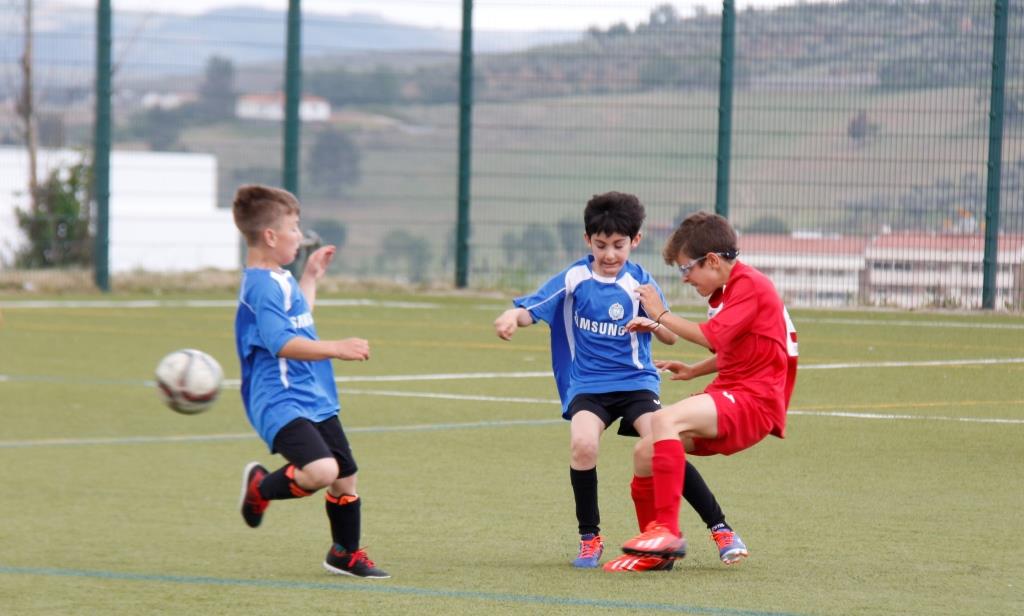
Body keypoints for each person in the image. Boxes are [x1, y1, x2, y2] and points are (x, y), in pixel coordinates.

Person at [494, 192, 749, 572]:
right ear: (587, 241)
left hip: (637, 384)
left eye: (618, 245)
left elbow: (670, 337)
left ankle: (721, 529)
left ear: (636, 241)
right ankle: (589, 537)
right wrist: (511, 317)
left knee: (664, 443)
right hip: (589, 386)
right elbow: (533, 307)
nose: (610, 254)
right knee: (582, 445)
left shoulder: (641, 283)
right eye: (601, 245)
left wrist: (653, 323)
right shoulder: (576, 278)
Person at [619, 211, 798, 564]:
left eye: (687, 269)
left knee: (663, 420)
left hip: (753, 402)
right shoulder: (729, 290)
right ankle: (655, 554)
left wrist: (660, 314)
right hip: (733, 392)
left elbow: (710, 336)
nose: (685, 278)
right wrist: (694, 370)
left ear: (713, 260)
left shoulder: (751, 285)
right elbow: (735, 348)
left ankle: (667, 534)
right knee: (645, 452)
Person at [232, 184, 389, 579]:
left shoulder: (280, 278)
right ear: (270, 236)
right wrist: (337, 347)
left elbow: (297, 320)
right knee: (322, 471)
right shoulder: (262, 286)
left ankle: (344, 554)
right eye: (294, 228)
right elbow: (281, 342)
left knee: (345, 476)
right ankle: (259, 488)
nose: (299, 236)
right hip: (279, 398)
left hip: (312, 393)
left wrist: (311, 277)